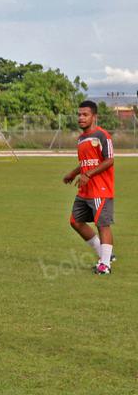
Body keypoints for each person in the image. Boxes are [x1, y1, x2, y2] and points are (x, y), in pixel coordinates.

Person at [63, 100, 116, 275]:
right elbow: (85, 163)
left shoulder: (102, 135)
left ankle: (105, 265)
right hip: (85, 189)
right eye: (79, 114)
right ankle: (105, 254)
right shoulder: (81, 139)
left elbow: (109, 160)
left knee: (102, 224)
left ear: (94, 117)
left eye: (85, 115)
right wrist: (73, 173)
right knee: (75, 221)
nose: (81, 118)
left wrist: (88, 175)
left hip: (100, 188)